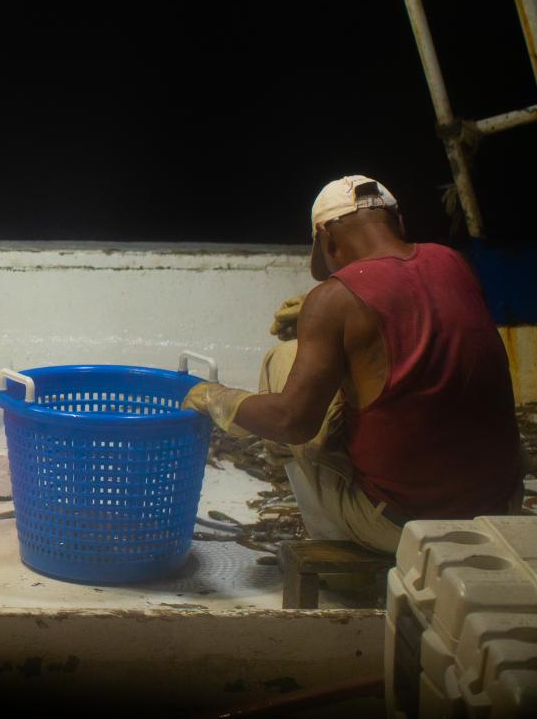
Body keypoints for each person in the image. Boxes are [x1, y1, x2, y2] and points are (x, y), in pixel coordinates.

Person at [184, 176, 523, 554]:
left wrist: (218, 398)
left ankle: (328, 531)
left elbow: (292, 421)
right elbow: (414, 318)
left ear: (327, 240)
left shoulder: (332, 299)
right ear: (399, 223)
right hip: (500, 509)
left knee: (283, 359)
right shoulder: (454, 263)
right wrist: (324, 325)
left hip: (405, 527)